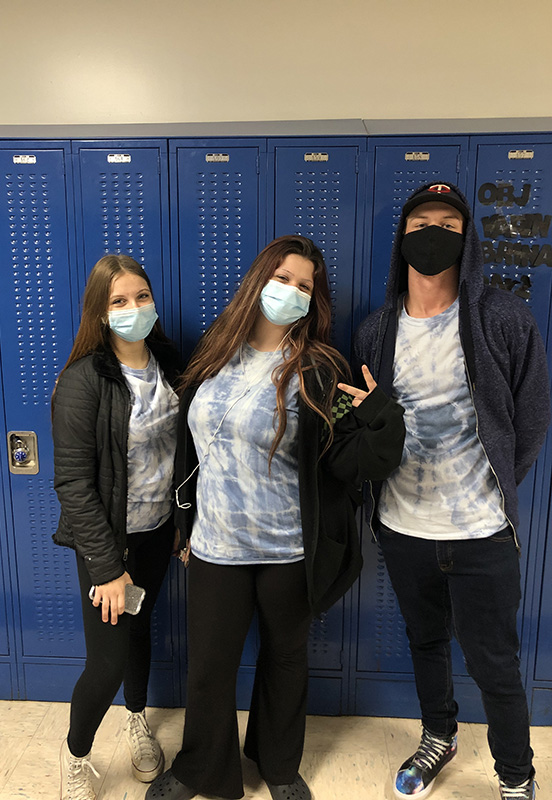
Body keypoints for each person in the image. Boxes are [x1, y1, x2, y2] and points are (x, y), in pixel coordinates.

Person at [145, 234, 405, 800]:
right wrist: (184, 523)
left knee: (286, 661)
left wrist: (382, 415)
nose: (290, 292)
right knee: (210, 669)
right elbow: (192, 448)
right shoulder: (213, 350)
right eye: (282, 278)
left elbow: (354, 461)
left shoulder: (320, 369)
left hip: (289, 549)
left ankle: (279, 765)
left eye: (304, 286)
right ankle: (200, 769)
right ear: (258, 281)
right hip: (216, 547)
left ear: (315, 301)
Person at [354, 182, 550, 800]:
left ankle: (516, 777)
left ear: (467, 239)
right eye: (420, 221)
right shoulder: (376, 329)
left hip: (480, 531)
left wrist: (494, 488)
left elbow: (532, 416)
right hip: (404, 526)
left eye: (448, 222)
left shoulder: (502, 318)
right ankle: (439, 736)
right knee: (426, 642)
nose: (433, 231)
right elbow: (367, 423)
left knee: (495, 665)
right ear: (403, 237)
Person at [52, 254, 181, 800]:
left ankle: (136, 719)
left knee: (140, 630)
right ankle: (77, 754)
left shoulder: (171, 363)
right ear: (101, 314)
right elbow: (74, 484)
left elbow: (192, 452)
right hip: (108, 542)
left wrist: (185, 523)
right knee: (106, 660)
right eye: (119, 301)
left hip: (157, 530)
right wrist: (106, 569)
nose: (133, 308)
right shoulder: (84, 380)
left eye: (141, 297)